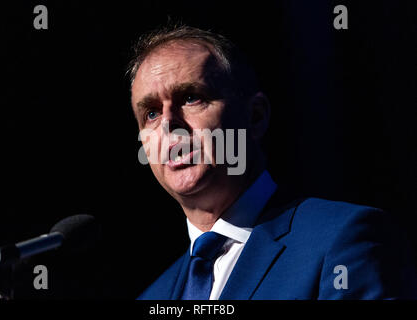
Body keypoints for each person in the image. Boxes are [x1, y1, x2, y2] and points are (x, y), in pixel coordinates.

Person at [127, 25, 417, 299]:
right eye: (151, 114)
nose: (168, 125)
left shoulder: (342, 242)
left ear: (255, 117)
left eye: (191, 97)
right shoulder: (154, 296)